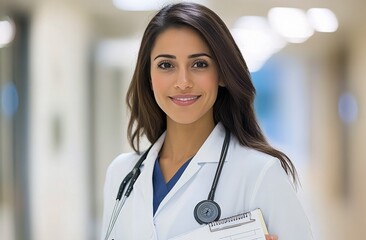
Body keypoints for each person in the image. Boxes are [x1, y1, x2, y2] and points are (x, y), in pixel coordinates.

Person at [101, 2, 313, 240]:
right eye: (166, 65)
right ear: (149, 77)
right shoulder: (122, 173)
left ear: (221, 74)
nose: (183, 81)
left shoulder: (260, 173)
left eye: (199, 64)